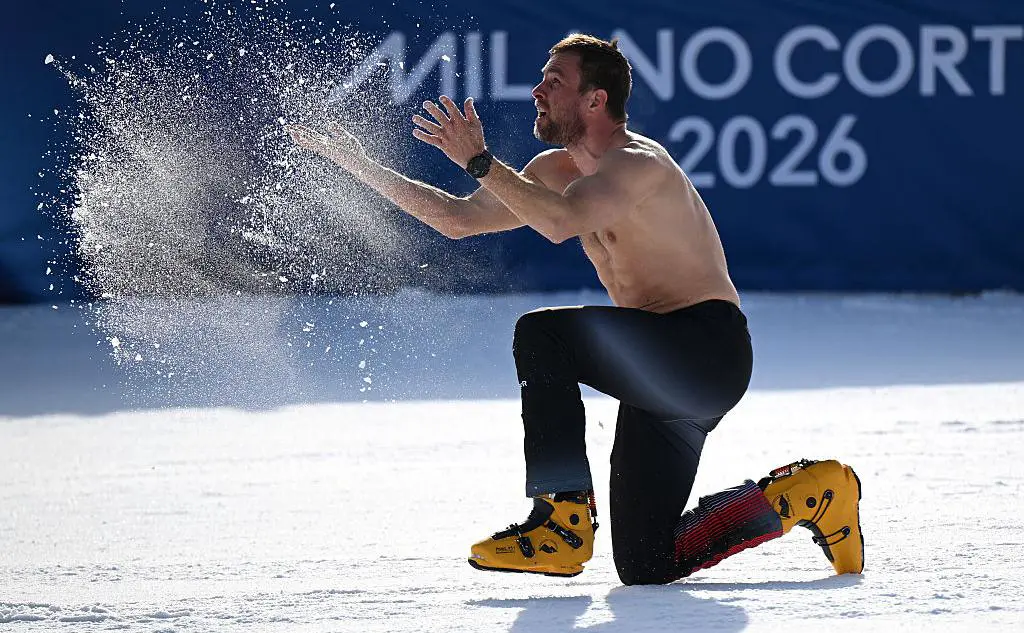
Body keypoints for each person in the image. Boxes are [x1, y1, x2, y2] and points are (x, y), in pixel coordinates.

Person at [287, 34, 863, 585]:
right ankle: (807, 493)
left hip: (703, 351)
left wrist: (482, 161)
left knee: (545, 337)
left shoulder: (639, 164)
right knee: (647, 562)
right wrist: (357, 162)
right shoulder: (550, 172)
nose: (537, 92)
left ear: (595, 100)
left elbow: (561, 224)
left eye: (553, 81)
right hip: (656, 369)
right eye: (541, 80)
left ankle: (561, 518)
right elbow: (457, 220)